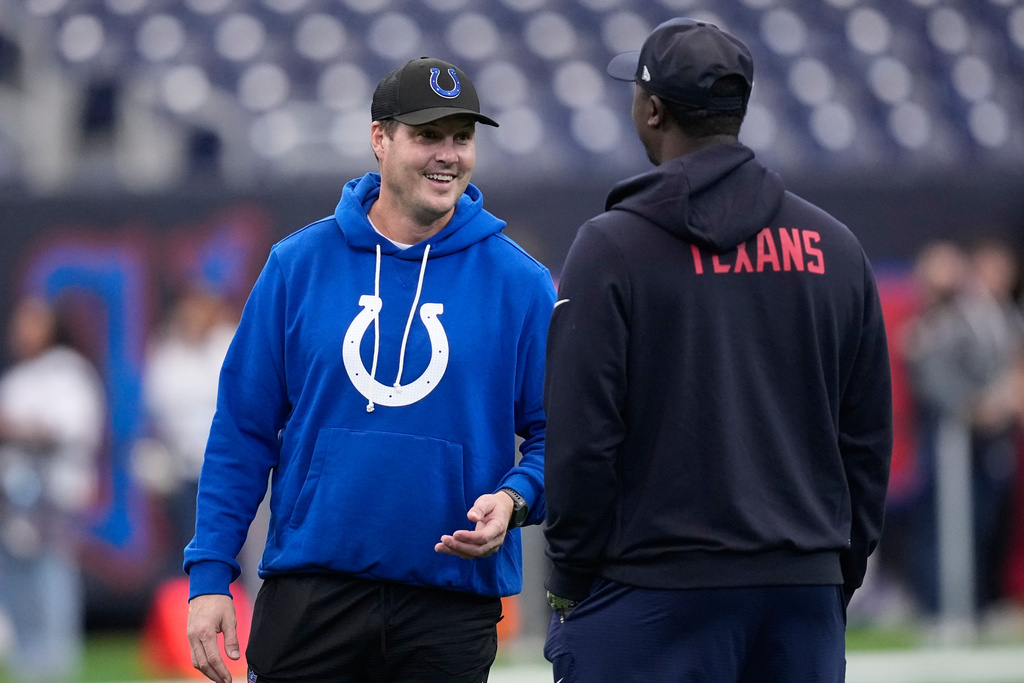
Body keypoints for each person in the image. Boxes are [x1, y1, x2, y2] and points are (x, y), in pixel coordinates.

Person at [542, 18, 893, 682]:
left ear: (652, 110)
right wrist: (834, 569)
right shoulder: (836, 248)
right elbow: (868, 435)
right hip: (802, 597)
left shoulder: (611, 247)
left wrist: (569, 573)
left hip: (650, 591)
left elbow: (583, 438)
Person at [184, 56, 556, 683]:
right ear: (380, 139)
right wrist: (210, 574)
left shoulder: (519, 283)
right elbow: (242, 432)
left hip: (449, 601)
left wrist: (517, 497)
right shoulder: (296, 265)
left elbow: (563, 435)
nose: (449, 155)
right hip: (310, 595)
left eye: (461, 137)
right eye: (428, 135)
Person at [0, 296, 106, 682]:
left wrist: (18, 429)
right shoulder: (16, 379)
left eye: (33, 323)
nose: (23, 332)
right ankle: (28, 666)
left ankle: (57, 667)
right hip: (14, 499)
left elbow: (71, 429)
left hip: (55, 495)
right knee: (15, 584)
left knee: (51, 580)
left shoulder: (69, 373)